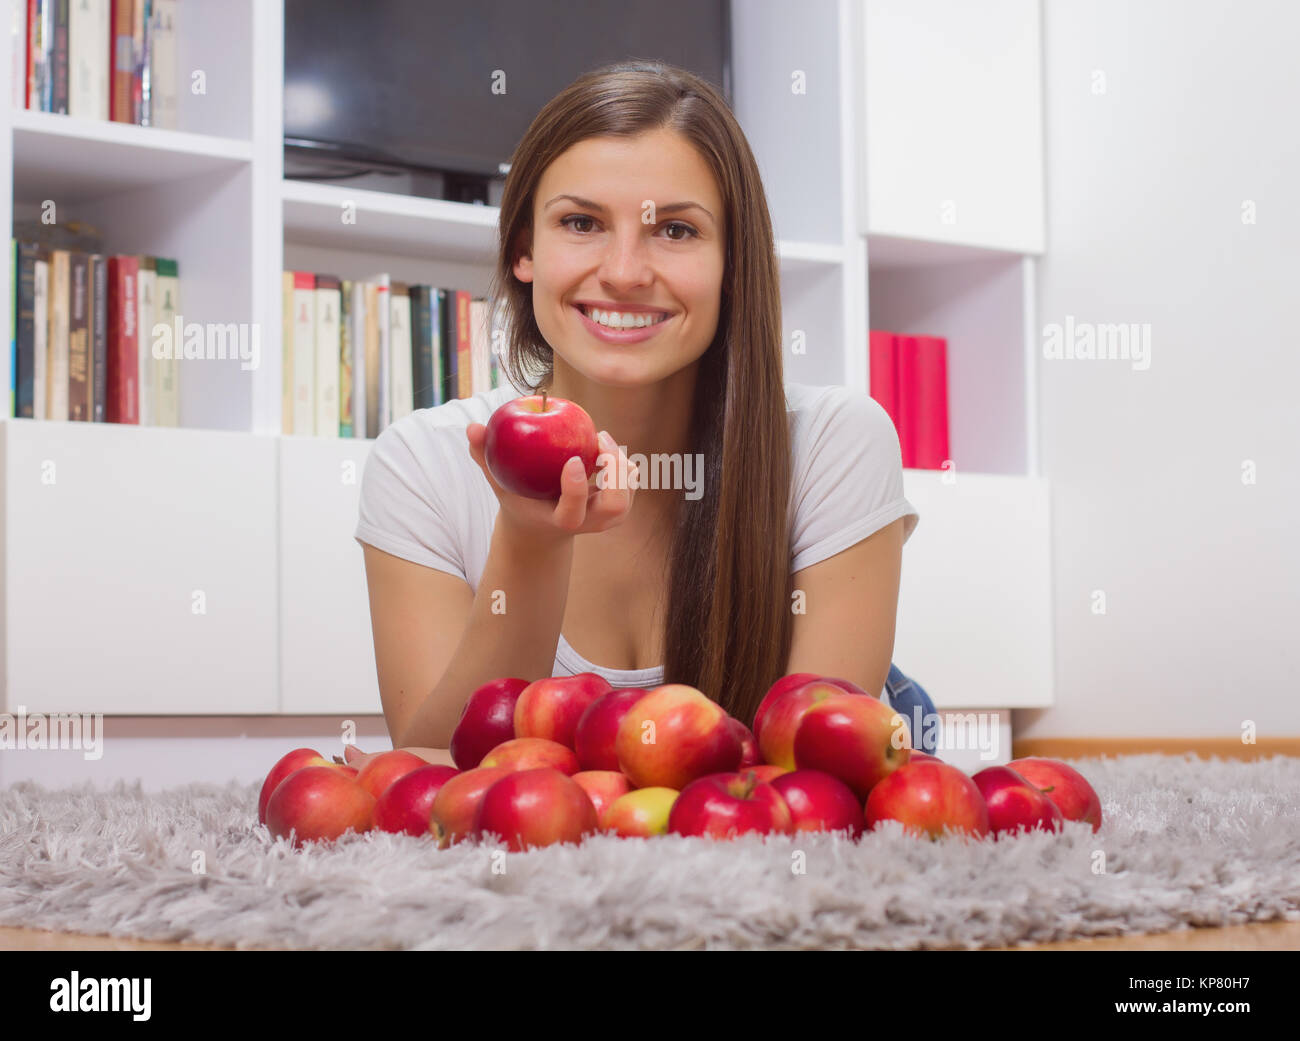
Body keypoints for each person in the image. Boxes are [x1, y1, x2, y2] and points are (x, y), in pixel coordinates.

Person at [349, 60, 938, 772]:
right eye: (581, 222)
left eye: (677, 232)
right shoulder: (421, 464)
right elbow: (439, 773)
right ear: (523, 251)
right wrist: (530, 544)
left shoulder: (832, 443)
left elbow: (817, 780)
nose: (625, 270)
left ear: (733, 262)